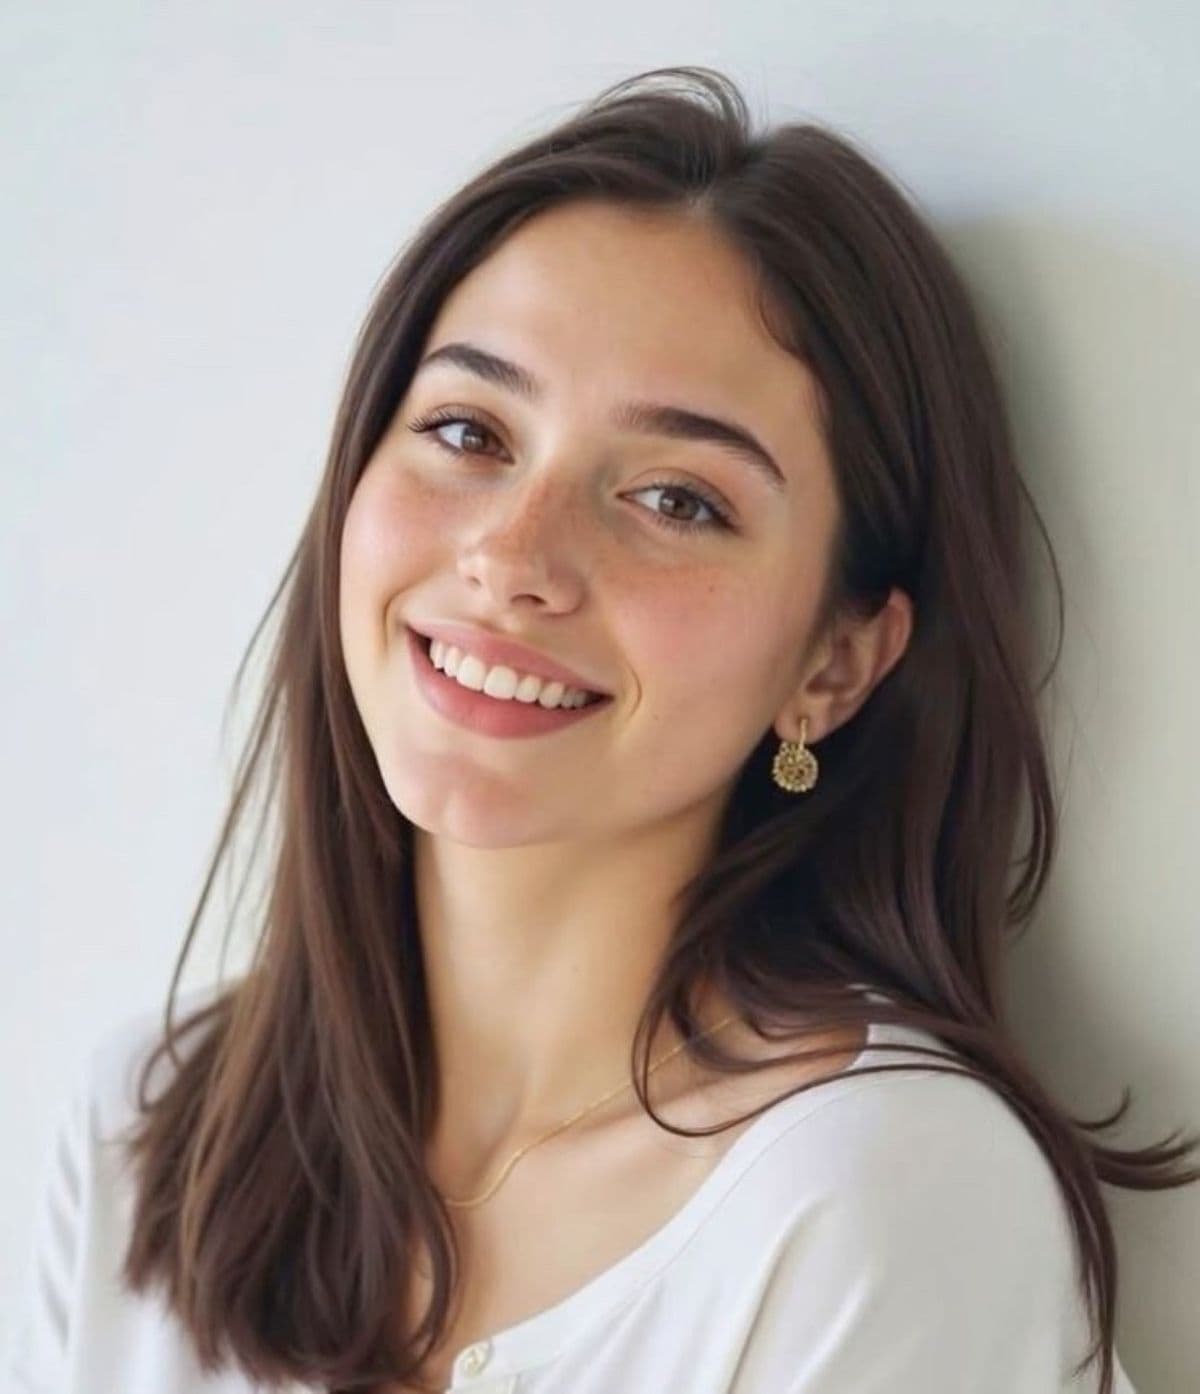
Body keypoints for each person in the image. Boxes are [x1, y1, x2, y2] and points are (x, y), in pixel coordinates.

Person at [5, 64, 1193, 1394]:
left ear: (837, 663)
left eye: (678, 499)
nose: (512, 554)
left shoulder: (877, 1206)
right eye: (467, 428)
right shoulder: (149, 1131)